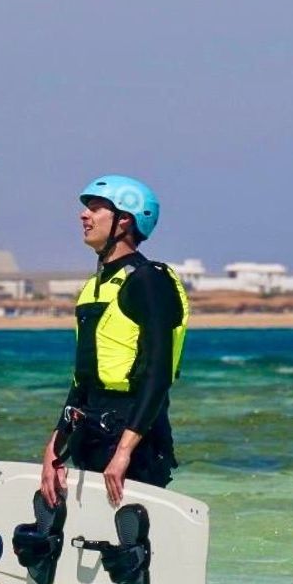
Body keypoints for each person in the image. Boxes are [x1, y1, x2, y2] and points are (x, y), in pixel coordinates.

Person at [40, 175, 189, 509]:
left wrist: (124, 451)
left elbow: (158, 374)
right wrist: (55, 444)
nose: (84, 215)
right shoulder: (95, 287)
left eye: (96, 208)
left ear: (125, 220)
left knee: (129, 552)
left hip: (136, 435)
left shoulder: (149, 279)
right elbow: (83, 379)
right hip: (91, 431)